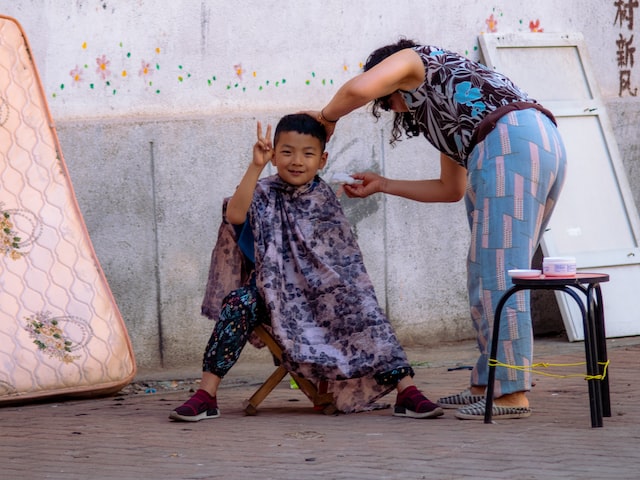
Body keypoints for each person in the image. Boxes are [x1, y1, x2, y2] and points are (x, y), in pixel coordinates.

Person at [307, 38, 567, 420]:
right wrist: (383, 184)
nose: (391, 106)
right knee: (486, 272)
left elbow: (357, 89)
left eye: (387, 98)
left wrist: (326, 118)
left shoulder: (416, 60)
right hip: (532, 143)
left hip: (510, 145)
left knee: (500, 275)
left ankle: (511, 394)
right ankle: (486, 384)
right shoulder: (449, 109)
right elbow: (450, 189)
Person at [169, 113, 444, 422]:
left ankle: (406, 391)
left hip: (322, 297)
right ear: (274, 155)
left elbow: (342, 261)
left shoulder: (324, 198)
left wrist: (338, 291)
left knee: (363, 305)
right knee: (237, 303)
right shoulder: (261, 192)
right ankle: (206, 395)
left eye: (308, 153)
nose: (296, 161)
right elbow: (234, 215)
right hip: (270, 293)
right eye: (286, 152)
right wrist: (255, 166)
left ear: (322, 159)